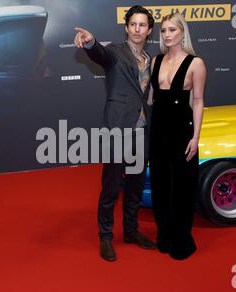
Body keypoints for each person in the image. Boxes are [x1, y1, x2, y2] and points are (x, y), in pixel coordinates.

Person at [74, 5, 157, 262]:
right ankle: (106, 236)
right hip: (118, 130)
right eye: (133, 24)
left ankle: (131, 231)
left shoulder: (151, 61)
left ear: (149, 30)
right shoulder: (115, 53)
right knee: (111, 187)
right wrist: (90, 42)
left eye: (142, 25)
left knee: (134, 187)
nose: (137, 29)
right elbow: (99, 54)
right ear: (126, 27)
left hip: (142, 132)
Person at [149, 13, 206, 260]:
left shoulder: (196, 64)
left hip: (182, 130)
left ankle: (182, 240)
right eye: (163, 31)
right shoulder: (155, 61)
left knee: (182, 187)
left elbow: (198, 100)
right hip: (158, 130)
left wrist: (196, 137)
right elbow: (151, 98)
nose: (167, 34)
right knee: (161, 186)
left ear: (183, 32)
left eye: (172, 30)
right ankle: (164, 235)